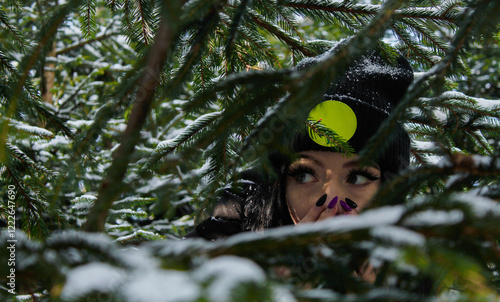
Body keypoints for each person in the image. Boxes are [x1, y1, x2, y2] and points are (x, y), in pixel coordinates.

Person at [185, 45, 413, 241]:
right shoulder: (231, 220)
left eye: (357, 177)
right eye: (304, 175)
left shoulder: (419, 258)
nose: (330, 201)